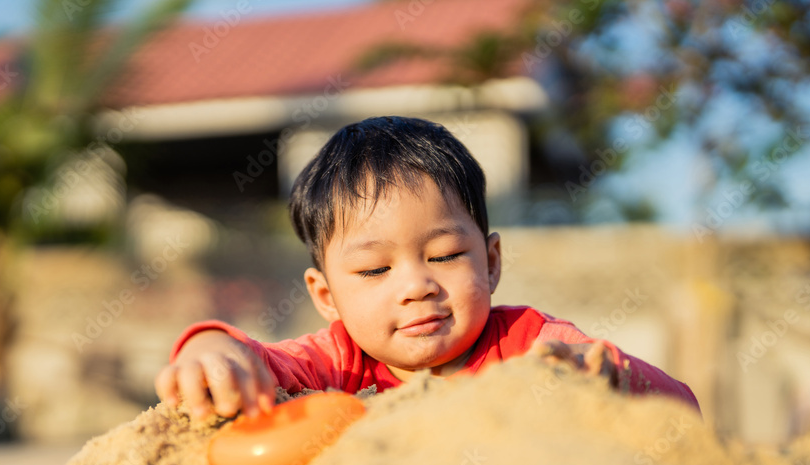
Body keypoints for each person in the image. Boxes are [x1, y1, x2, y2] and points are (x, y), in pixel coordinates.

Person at [155, 116, 701, 421]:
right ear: (326, 296)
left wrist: (614, 378)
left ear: (490, 262)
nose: (417, 285)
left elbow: (684, 409)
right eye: (373, 270)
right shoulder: (337, 364)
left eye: (443, 256)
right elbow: (259, 362)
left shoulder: (532, 345)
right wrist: (209, 348)